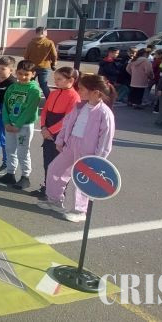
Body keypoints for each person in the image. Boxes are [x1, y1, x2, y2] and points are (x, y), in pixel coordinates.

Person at [38, 74, 116, 223]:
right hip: (71, 144)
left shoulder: (104, 113)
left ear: (95, 92)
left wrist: (98, 159)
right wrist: (60, 140)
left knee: (82, 179)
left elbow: (105, 139)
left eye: (81, 89)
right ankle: (54, 200)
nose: (78, 91)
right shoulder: (80, 106)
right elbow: (67, 123)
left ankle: (80, 210)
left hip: (88, 152)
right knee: (55, 169)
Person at [32, 67, 81, 200]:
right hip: (48, 132)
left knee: (59, 165)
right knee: (48, 162)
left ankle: (59, 193)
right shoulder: (53, 93)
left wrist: (51, 131)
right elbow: (44, 111)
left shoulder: (74, 97)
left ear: (71, 80)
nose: (56, 81)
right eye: (55, 79)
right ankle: (47, 188)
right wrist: (43, 127)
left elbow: (67, 119)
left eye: (59, 79)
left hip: (61, 135)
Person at [0, 60, 42, 189]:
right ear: (16, 73)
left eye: (26, 74)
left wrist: (18, 125)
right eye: (20, 74)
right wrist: (6, 122)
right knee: (10, 149)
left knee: (23, 151)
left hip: (24, 127)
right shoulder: (12, 87)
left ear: (33, 74)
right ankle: (10, 174)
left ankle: (25, 177)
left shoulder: (34, 90)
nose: (23, 77)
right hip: (10, 125)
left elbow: (30, 110)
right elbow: (5, 106)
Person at [23, 27, 57, 98]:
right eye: (46, 32)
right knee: (43, 85)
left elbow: (26, 55)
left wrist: (26, 64)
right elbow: (54, 55)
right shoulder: (49, 42)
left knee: (29, 83)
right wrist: (54, 63)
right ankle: (49, 100)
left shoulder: (31, 43)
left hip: (32, 67)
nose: (47, 33)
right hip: (45, 66)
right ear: (43, 32)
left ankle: (26, 98)